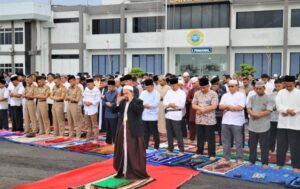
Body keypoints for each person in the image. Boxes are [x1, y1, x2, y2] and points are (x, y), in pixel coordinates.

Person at [113, 85, 149, 180]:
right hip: (123, 128)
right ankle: (123, 170)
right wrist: (117, 102)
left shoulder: (138, 101)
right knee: (122, 149)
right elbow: (113, 110)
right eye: (123, 93)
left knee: (133, 150)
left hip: (133, 130)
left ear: (131, 92)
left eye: (126, 93)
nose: (125, 95)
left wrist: (131, 100)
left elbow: (138, 111)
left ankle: (133, 171)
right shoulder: (122, 102)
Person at [275, 75, 300, 173]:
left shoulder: (299, 93)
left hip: (296, 124)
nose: (288, 87)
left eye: (290, 85)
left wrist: (294, 111)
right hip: (283, 124)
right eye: (287, 85)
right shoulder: (281, 92)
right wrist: (286, 110)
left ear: (294, 84)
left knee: (295, 146)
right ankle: (279, 164)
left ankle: (296, 166)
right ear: (285, 84)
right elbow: (278, 105)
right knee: (281, 145)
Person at [247, 81, 273, 168]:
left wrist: (257, 115)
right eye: (256, 89)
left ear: (264, 88)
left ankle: (264, 162)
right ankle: (251, 160)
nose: (258, 90)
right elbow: (248, 108)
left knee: (264, 146)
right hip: (252, 126)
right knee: (252, 145)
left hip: (264, 126)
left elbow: (269, 111)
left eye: (260, 89)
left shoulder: (269, 98)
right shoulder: (252, 97)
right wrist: (253, 114)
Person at [219, 80, 246, 163]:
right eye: (229, 86)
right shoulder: (225, 95)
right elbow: (220, 106)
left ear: (237, 86)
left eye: (232, 86)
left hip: (237, 121)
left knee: (238, 141)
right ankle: (226, 157)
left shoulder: (241, 95)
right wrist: (230, 107)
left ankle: (239, 158)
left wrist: (227, 108)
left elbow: (240, 108)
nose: (230, 88)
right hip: (226, 120)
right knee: (225, 141)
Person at [192, 77, 218, 160]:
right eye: (201, 87)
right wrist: (199, 109)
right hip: (199, 119)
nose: (202, 89)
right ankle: (199, 152)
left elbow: (214, 106)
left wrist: (203, 110)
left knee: (210, 138)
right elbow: (193, 104)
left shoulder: (213, 94)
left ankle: (212, 154)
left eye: (204, 87)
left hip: (209, 120)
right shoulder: (197, 93)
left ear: (208, 86)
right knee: (200, 137)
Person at [163, 77, 186, 156]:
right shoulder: (169, 92)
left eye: (173, 85)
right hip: (168, 114)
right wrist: (169, 104)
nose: (172, 87)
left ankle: (181, 150)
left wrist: (174, 105)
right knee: (169, 133)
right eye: (171, 86)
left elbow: (182, 105)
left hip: (176, 114)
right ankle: (170, 148)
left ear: (177, 84)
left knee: (178, 133)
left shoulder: (182, 93)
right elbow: (164, 102)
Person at [139, 79, 160, 150]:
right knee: (145, 133)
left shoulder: (156, 93)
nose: (147, 89)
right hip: (144, 115)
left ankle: (156, 146)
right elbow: (140, 101)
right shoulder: (143, 93)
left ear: (152, 86)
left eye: (148, 87)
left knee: (154, 133)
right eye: (146, 87)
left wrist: (148, 105)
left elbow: (156, 103)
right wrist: (145, 105)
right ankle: (145, 146)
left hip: (153, 116)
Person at [269, 79, 284, 153]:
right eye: (276, 86)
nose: (278, 88)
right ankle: (271, 149)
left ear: (283, 85)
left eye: (279, 86)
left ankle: (280, 150)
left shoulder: (286, 94)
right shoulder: (272, 95)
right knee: (272, 135)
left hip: (283, 119)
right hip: (273, 118)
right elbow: (269, 105)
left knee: (281, 137)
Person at [210, 76, 226, 145]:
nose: (215, 86)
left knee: (220, 129)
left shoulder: (222, 92)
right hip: (211, 113)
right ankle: (211, 142)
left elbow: (221, 102)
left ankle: (221, 142)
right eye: (213, 85)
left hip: (219, 114)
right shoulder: (209, 92)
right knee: (211, 129)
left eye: (216, 85)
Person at [103, 80, 118, 144]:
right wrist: (106, 103)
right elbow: (103, 101)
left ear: (114, 86)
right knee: (108, 129)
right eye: (108, 87)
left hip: (113, 114)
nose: (109, 88)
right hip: (107, 113)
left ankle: (115, 141)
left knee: (114, 129)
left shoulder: (117, 93)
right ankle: (108, 141)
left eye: (111, 87)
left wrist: (111, 104)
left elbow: (117, 103)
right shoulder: (106, 93)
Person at [186, 77, 200, 143]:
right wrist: (192, 101)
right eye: (192, 83)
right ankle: (192, 138)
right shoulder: (191, 90)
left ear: (198, 82)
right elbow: (188, 98)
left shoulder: (201, 89)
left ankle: (200, 138)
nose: (193, 84)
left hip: (200, 109)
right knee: (192, 123)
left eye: (194, 83)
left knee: (199, 124)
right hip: (192, 109)